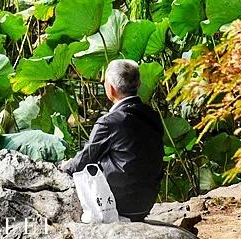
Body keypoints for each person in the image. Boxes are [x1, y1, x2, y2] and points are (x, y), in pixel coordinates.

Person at [60, 59, 165, 222]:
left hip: (118, 205)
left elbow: (84, 160)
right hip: (145, 203)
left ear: (110, 88)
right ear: (138, 84)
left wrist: (62, 169)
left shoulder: (110, 121)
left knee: (82, 172)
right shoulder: (152, 115)